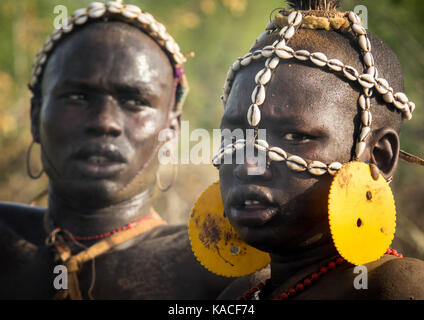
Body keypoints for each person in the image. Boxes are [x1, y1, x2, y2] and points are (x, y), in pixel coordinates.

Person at [189, 0, 424, 299]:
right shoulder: (241, 295)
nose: (248, 165)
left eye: (294, 136)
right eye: (235, 135)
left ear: (377, 157)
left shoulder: (395, 286)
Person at [0, 0, 232, 299]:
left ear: (171, 130)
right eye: (78, 96)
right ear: (35, 116)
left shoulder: (218, 271)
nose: (104, 122)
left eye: (135, 101)